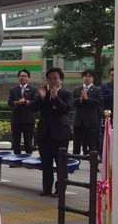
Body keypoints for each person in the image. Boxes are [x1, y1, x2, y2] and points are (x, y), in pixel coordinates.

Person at [32, 67, 74, 197]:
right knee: (46, 163)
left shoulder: (67, 94)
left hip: (60, 134)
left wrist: (55, 97)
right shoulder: (43, 93)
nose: (52, 81)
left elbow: (66, 109)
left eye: (55, 78)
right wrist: (43, 98)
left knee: (61, 163)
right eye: (50, 78)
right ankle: (47, 188)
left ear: (61, 80)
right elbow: (34, 108)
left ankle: (60, 189)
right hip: (45, 133)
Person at [72, 69, 103, 156]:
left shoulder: (97, 90)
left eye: (90, 76)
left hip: (91, 122)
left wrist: (87, 99)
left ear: (93, 78)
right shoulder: (77, 89)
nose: (87, 78)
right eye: (86, 76)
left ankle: (94, 164)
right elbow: (72, 102)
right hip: (78, 121)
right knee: (76, 144)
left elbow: (99, 102)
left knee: (93, 144)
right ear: (83, 78)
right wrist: (80, 99)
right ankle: (75, 162)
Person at [7, 69, 38, 154]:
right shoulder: (13, 89)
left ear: (28, 78)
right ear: (18, 77)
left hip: (28, 120)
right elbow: (9, 102)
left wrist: (26, 102)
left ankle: (28, 159)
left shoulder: (33, 89)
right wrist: (17, 102)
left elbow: (35, 102)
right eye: (21, 76)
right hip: (16, 119)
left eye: (25, 76)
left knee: (28, 140)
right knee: (16, 141)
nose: (23, 77)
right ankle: (16, 160)